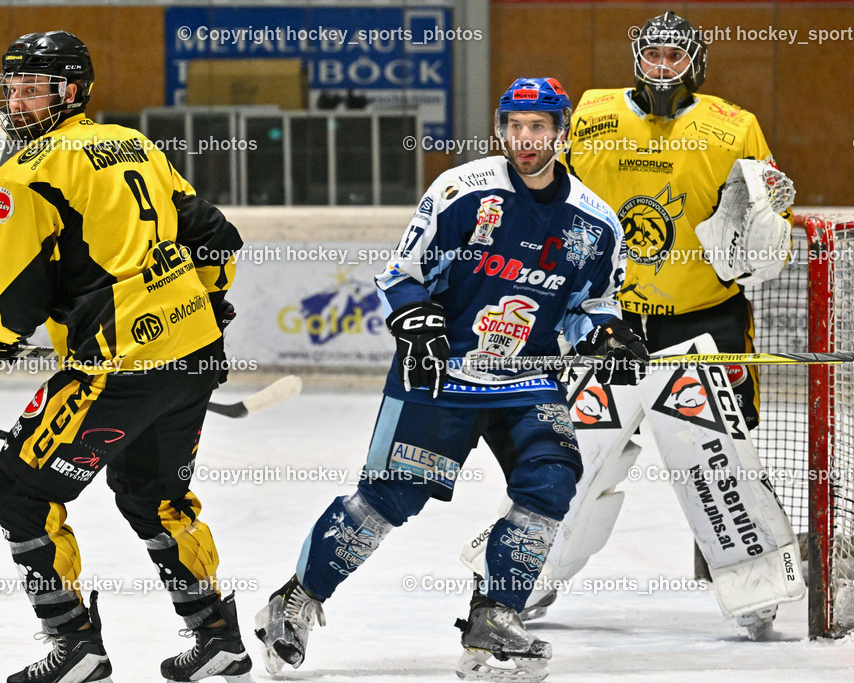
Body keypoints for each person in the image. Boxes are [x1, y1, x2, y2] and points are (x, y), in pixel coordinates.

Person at [254, 76, 648, 682]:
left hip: (527, 378)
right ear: (501, 129)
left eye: (538, 127)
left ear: (561, 132)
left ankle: (494, 619)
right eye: (515, 126)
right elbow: (403, 274)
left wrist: (606, 333)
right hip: (442, 372)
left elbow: (590, 306)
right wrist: (417, 320)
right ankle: (296, 601)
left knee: (550, 482)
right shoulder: (463, 191)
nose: (525, 138)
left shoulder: (595, 224)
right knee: (388, 499)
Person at [0, 31, 252, 683]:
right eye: (15, 86)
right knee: (154, 495)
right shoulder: (134, 142)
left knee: (16, 492)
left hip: (118, 366)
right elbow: (216, 237)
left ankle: (75, 643)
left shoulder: (28, 174)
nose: (18, 100)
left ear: (72, 91)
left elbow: (17, 306)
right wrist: (211, 306)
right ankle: (217, 634)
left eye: (35, 86)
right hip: (193, 352)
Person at [525, 11, 794, 636]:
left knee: (722, 457)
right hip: (609, 324)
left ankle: (755, 588)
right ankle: (527, 574)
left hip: (706, 320)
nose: (663, 68)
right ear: (636, 60)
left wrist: (763, 228)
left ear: (696, 63)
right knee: (572, 454)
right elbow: (547, 197)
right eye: (653, 57)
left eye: (675, 57)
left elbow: (768, 216)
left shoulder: (734, 126)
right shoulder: (590, 114)